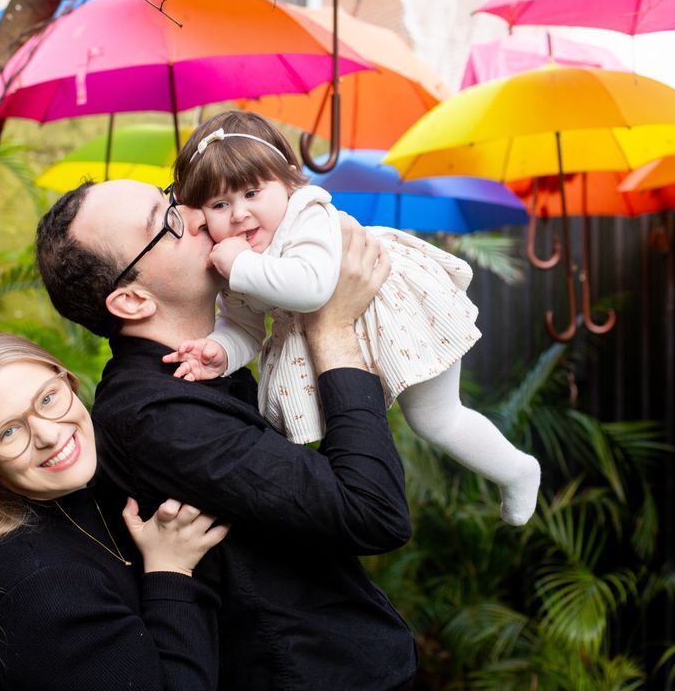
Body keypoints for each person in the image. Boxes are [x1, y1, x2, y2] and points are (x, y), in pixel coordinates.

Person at [36, 184, 417, 690]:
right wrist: (332, 327)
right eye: (166, 220)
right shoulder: (155, 416)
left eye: (171, 195)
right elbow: (372, 512)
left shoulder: (205, 361)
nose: (198, 214)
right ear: (132, 300)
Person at [167, 110, 541, 526]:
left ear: (289, 182)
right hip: (339, 333)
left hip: (396, 307)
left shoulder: (306, 214)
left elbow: (311, 287)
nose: (238, 214)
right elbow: (243, 325)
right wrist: (221, 349)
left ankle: (518, 470)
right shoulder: (236, 258)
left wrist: (239, 266)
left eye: (252, 193)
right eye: (220, 204)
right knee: (337, 432)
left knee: (436, 418)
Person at [0, 332, 229, 691]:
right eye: (9, 432)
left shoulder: (97, 491)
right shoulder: (37, 582)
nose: (47, 434)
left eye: (48, 398)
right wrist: (170, 571)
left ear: (69, 381)